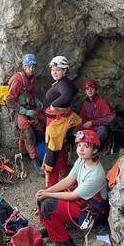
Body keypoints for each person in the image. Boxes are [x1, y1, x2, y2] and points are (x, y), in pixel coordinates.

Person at [35, 130, 108, 246]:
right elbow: (69, 180)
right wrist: (46, 191)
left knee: (48, 204)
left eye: (86, 146)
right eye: (79, 145)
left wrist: (48, 194)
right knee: (42, 197)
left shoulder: (96, 174)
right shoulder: (82, 160)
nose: (81, 149)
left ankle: (65, 243)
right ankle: (51, 228)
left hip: (92, 213)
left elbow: (73, 195)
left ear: (95, 150)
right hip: (83, 201)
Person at [43, 56, 82, 186]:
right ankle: (65, 172)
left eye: (58, 70)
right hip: (61, 119)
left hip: (57, 122)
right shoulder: (65, 82)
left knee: (52, 151)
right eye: (53, 69)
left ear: (65, 70)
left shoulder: (63, 83)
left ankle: (51, 185)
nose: (54, 72)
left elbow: (66, 95)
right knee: (60, 148)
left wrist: (54, 105)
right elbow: (73, 91)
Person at [6, 53, 45, 161]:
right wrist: (24, 111)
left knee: (43, 121)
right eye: (29, 66)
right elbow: (9, 100)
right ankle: (34, 159)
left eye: (33, 67)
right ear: (24, 66)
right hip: (17, 109)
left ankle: (41, 147)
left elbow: (31, 92)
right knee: (27, 130)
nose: (31, 69)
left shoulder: (32, 78)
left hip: (28, 105)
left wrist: (36, 100)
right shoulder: (17, 80)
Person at [78, 79, 116, 145]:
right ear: (85, 92)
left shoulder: (101, 102)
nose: (89, 90)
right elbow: (81, 117)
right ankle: (82, 149)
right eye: (87, 89)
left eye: (92, 88)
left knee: (102, 130)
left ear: (96, 90)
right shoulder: (86, 103)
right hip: (89, 128)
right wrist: (78, 128)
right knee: (78, 134)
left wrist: (94, 122)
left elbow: (111, 118)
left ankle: (94, 148)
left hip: (99, 127)